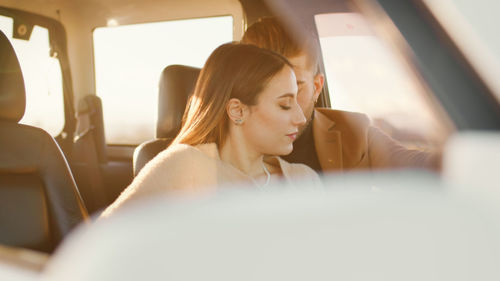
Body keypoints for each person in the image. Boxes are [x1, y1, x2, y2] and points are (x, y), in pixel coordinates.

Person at [101, 42, 322, 217]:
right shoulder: (184, 167)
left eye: (297, 100)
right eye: (285, 105)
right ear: (238, 111)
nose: (301, 118)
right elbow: (104, 245)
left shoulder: (305, 180)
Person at [241, 17, 440, 173]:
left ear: (317, 87)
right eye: (264, 85)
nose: (281, 102)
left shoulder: (353, 132)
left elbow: (419, 165)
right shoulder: (221, 148)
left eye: (296, 85)